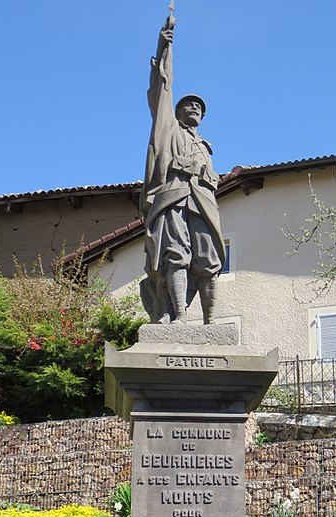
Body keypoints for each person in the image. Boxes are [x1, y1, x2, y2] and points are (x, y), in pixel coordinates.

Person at [139, 13, 225, 325]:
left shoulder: (206, 146)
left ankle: (210, 322)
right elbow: (162, 86)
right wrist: (164, 46)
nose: (194, 108)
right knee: (175, 254)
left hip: (202, 204)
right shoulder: (169, 131)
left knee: (208, 259)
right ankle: (179, 318)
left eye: (199, 107)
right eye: (188, 105)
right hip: (173, 197)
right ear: (176, 112)